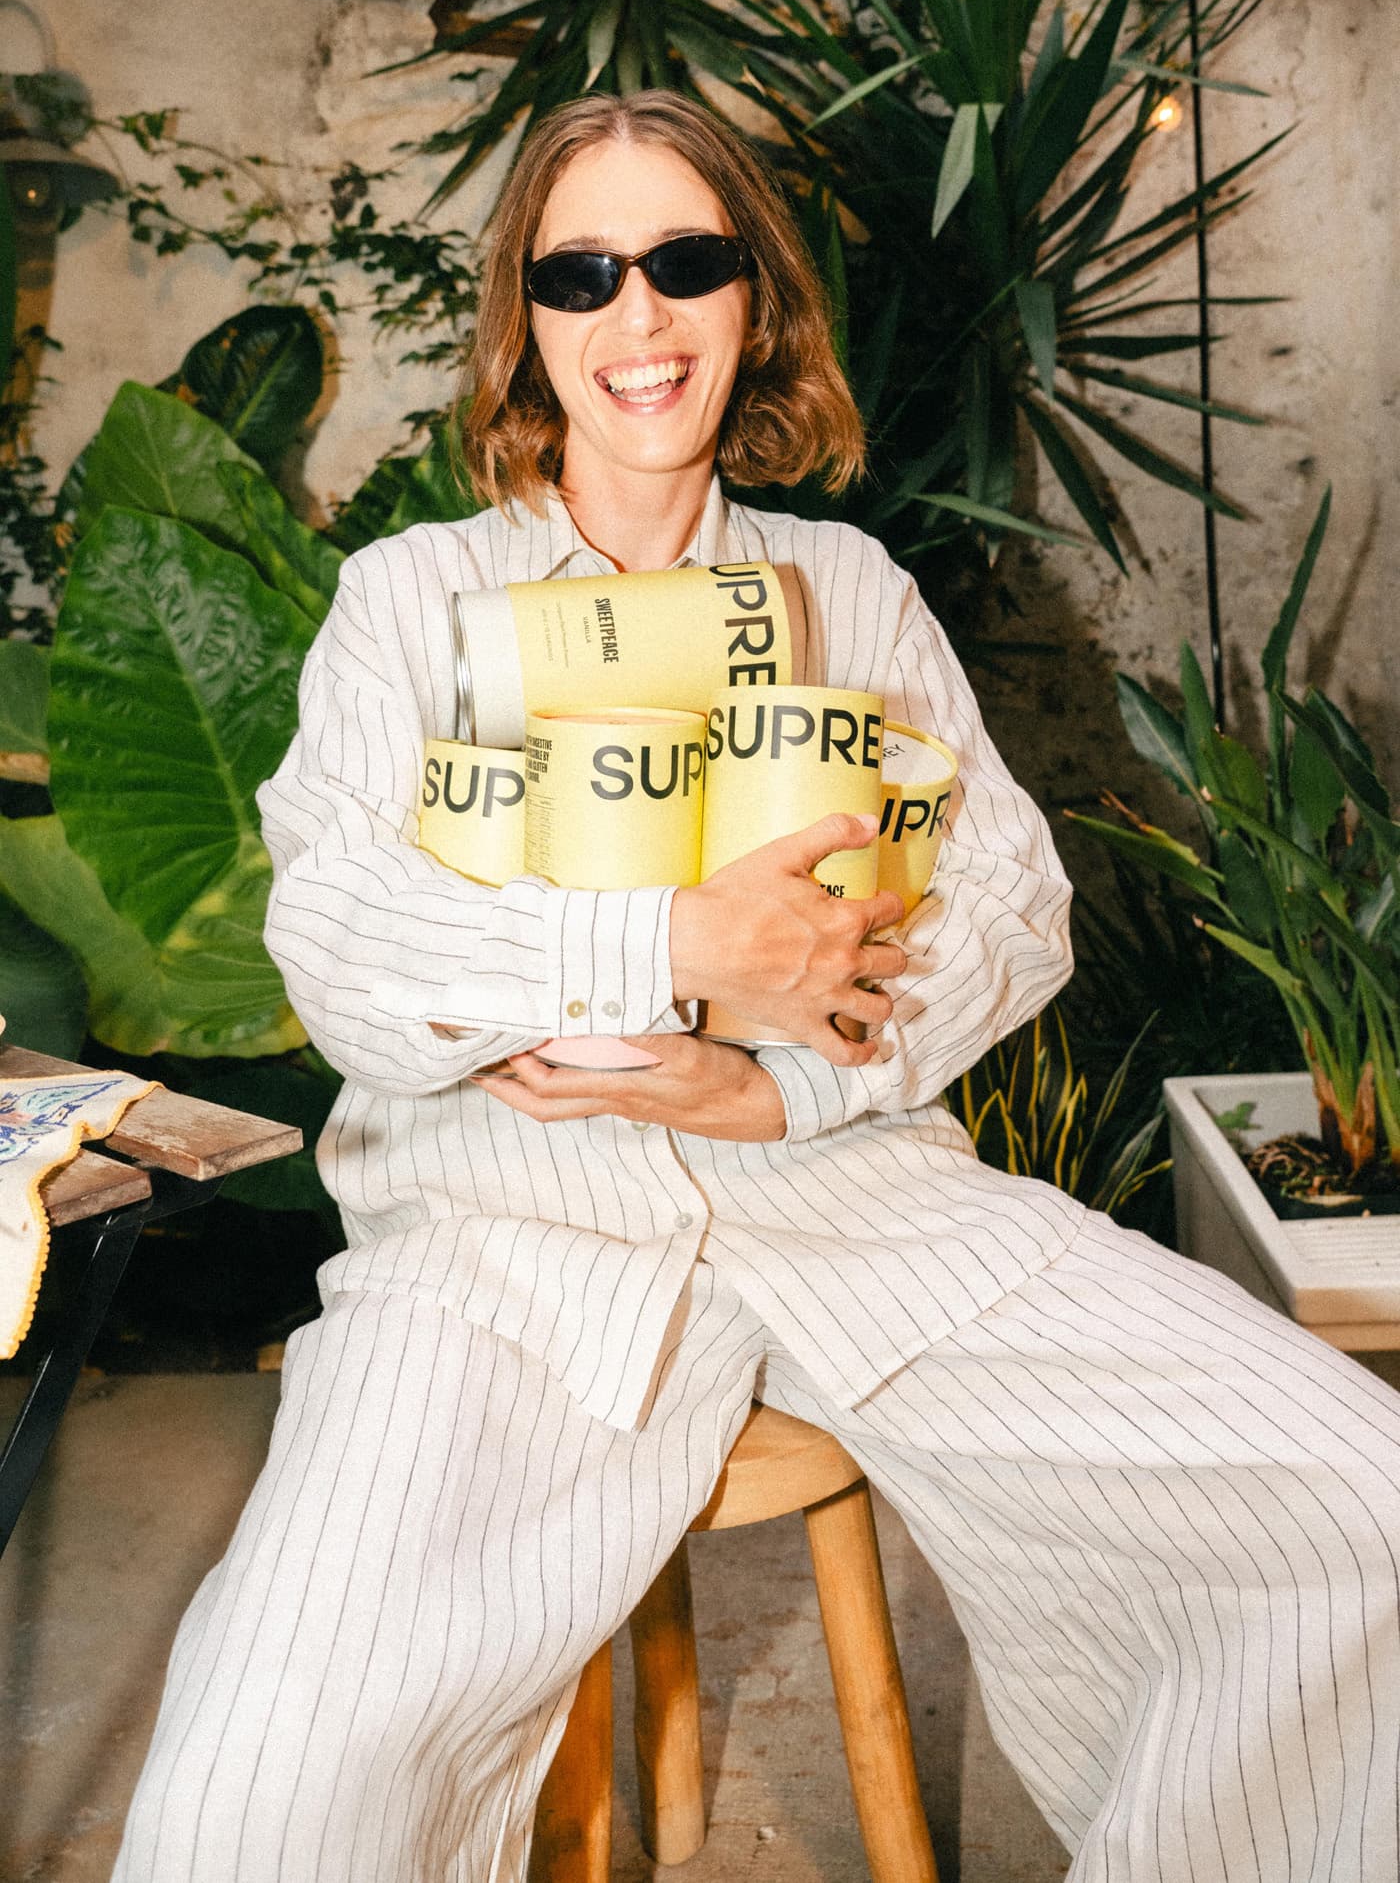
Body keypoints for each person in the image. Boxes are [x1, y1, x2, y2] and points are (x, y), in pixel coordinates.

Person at [114, 91, 1400, 1883]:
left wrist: (784, 1085)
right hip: (506, 1245)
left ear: (753, 300)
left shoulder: (846, 588)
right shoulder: (409, 602)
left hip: (856, 1204)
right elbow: (342, 943)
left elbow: (1009, 904)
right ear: (525, 321)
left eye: (686, 261)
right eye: (581, 273)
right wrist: (666, 949)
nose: (636, 315)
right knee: (260, 1776)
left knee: (1361, 1507)